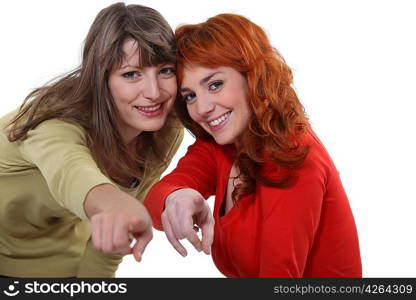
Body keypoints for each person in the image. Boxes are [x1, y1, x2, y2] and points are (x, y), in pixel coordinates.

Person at [144, 13, 362, 277]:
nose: (202, 109)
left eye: (215, 84)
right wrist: (176, 198)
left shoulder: (292, 156)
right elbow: (155, 200)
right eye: (190, 96)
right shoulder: (223, 144)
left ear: (253, 77)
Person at [0, 2, 183, 277]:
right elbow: (71, 171)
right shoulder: (55, 121)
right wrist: (114, 204)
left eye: (166, 70)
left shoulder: (164, 129)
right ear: (101, 79)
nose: (154, 92)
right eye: (131, 74)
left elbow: (112, 237)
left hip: (56, 257)